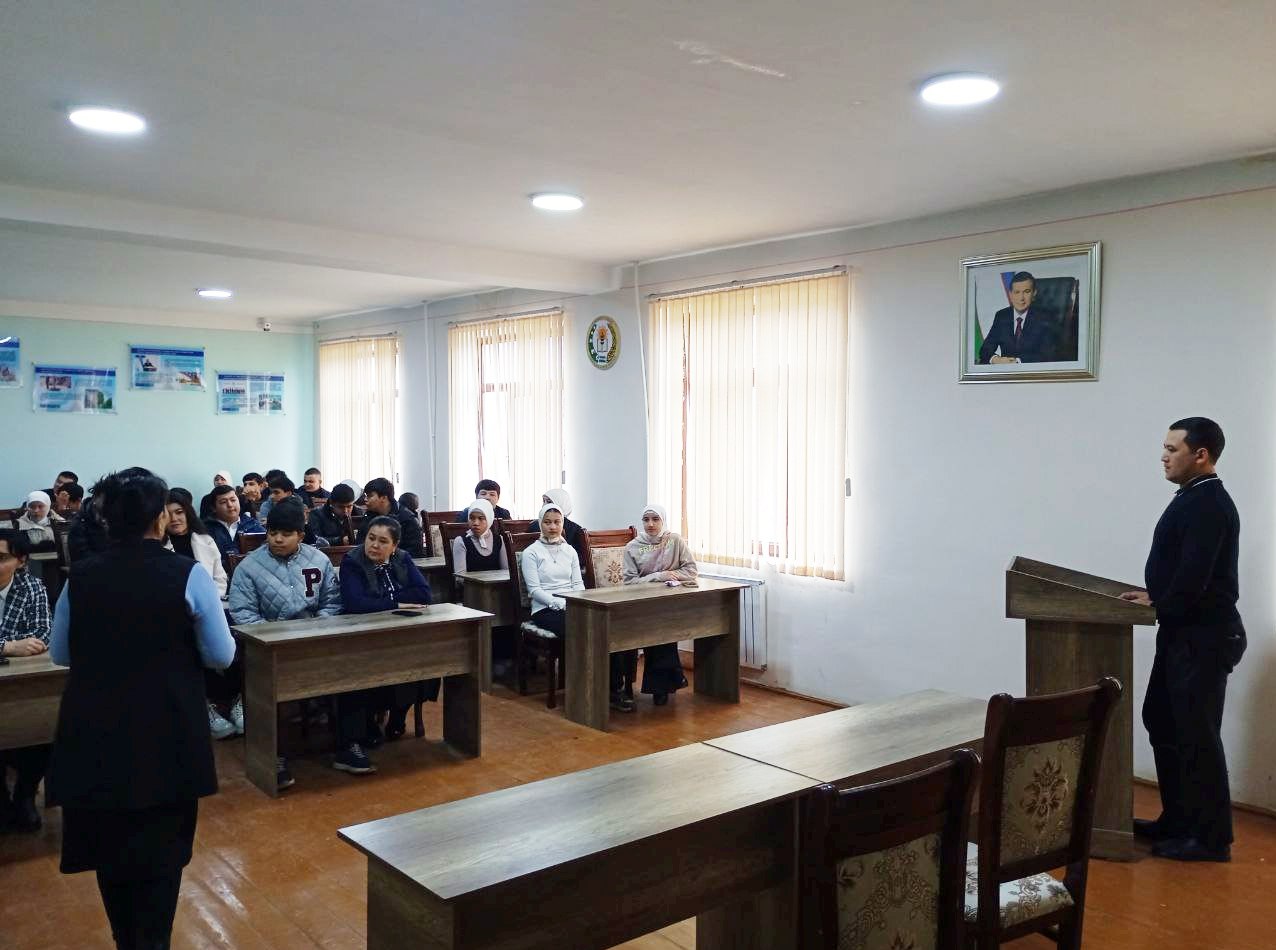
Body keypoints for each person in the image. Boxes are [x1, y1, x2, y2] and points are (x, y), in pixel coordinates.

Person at [46, 467, 235, 950]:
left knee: (111, 854)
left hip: (95, 733)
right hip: (166, 731)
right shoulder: (187, 574)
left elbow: (60, 654)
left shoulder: (81, 577)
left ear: (107, 520)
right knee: (161, 856)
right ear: (159, 519)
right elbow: (222, 655)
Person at [1120, 417, 1246, 863]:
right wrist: (1156, 595)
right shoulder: (1194, 497)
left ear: (1201, 455)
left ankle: (1211, 839)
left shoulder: (1208, 503)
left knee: (1196, 734)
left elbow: (1195, 579)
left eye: (1172, 449)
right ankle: (1178, 819)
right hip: (1184, 631)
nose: (1164, 456)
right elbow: (1184, 571)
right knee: (1163, 720)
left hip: (1204, 636)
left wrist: (1161, 602)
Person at [228, 498, 344, 785]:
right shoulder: (249, 567)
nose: (277, 539)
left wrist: (316, 630)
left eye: (286, 534)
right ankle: (273, 754)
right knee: (267, 684)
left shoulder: (318, 560)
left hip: (314, 642)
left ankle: (347, 744)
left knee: (351, 669)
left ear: (301, 535)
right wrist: (276, 639)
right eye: (272, 533)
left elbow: (332, 602)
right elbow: (244, 615)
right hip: (269, 649)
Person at [341, 515, 434, 746]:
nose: (374, 545)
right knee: (373, 665)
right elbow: (356, 604)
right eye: (371, 538)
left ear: (394, 546)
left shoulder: (402, 558)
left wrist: (382, 598)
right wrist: (397, 602)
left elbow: (423, 594)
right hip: (365, 634)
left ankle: (398, 715)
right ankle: (369, 721)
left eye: (383, 541)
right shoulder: (352, 561)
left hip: (400, 630)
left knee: (422, 661)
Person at [522, 503, 616, 708]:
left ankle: (607, 686)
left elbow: (578, 584)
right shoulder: (531, 552)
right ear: (540, 524)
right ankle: (581, 687)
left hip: (572, 604)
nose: (552, 527)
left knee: (603, 626)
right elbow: (534, 590)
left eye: (557, 522)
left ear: (562, 524)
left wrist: (577, 602)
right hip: (544, 609)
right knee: (578, 629)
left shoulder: (570, 550)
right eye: (547, 522)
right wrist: (558, 602)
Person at [165, 490, 239, 741]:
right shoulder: (159, 546)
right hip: (177, 611)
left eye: (179, 512)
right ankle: (206, 705)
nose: (175, 519)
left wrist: (207, 603)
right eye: (168, 514)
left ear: (188, 512)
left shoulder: (204, 539)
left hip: (211, 605)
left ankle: (236, 700)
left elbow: (220, 577)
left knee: (234, 637)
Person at [0, 528, 53, 833]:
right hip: (10, 665)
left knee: (42, 730)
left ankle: (24, 795)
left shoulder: (32, 586)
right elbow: (20, 643)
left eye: (1, 558)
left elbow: (42, 634)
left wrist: (18, 646)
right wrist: (7, 646)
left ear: (20, 561)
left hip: (19, 681)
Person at [623, 504, 697, 706]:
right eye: (646, 520)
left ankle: (666, 683)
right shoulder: (633, 547)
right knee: (659, 625)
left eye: (655, 519)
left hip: (672, 601)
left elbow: (691, 571)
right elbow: (629, 582)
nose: (650, 524)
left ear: (663, 520)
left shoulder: (674, 541)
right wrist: (658, 576)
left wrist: (670, 577)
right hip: (643, 603)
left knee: (665, 622)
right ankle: (669, 682)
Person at [976, 271, 1063, 364]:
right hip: (1005, 371)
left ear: (1034, 293)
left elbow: (1050, 355)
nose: (1021, 298)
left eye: (1026, 292)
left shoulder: (1045, 318)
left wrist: (1017, 362)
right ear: (1010, 294)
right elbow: (985, 349)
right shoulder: (1002, 316)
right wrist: (996, 359)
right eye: (1017, 292)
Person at [358, 478, 424, 557]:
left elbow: (414, 552)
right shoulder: (368, 516)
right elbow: (360, 546)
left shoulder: (407, 519)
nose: (365, 499)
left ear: (383, 498)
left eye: (369, 496)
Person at [203, 484, 265, 558]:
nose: (230, 505)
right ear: (214, 508)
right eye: (223, 502)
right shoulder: (206, 530)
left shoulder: (253, 525)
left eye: (233, 500)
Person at [452, 499, 508, 573]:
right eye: (472, 518)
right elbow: (460, 577)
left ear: (489, 519)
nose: (476, 523)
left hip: (498, 581)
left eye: (481, 518)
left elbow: (506, 572)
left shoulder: (499, 540)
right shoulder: (460, 541)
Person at [541, 488, 587, 569]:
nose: (544, 505)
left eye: (548, 501)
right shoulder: (534, 526)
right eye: (543, 501)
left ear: (561, 504)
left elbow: (581, 559)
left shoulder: (576, 529)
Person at [311, 482, 358, 546]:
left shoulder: (359, 513)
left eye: (349, 506)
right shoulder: (316, 514)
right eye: (341, 507)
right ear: (331, 503)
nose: (345, 511)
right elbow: (315, 540)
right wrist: (339, 541)